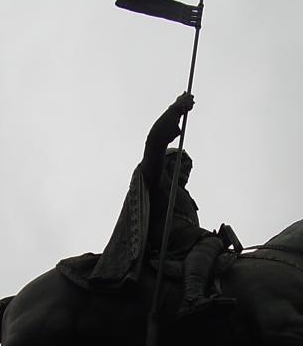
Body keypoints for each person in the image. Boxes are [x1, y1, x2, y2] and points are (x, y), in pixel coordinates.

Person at [89, 91, 233, 316]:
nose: (186, 169)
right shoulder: (159, 180)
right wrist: (176, 110)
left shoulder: (186, 197)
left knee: (216, 245)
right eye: (181, 163)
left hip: (183, 239)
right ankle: (192, 298)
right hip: (165, 236)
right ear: (167, 163)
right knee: (209, 241)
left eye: (189, 167)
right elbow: (154, 142)